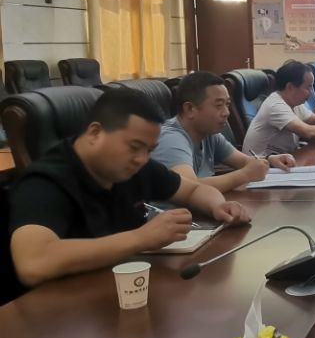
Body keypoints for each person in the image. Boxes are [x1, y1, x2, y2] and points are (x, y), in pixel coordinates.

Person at [5, 88, 251, 291]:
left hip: (118, 291)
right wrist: (141, 238)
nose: (142, 158)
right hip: (56, 314)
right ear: (95, 133)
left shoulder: (134, 166)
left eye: (149, 150)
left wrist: (219, 205)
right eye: (134, 147)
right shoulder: (44, 183)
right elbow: (33, 263)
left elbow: (193, 191)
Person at [153, 72, 296, 192]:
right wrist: (244, 175)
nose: (226, 112)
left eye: (227, 104)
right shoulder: (171, 138)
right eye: (219, 105)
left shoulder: (209, 134)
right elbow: (187, 187)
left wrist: (270, 160)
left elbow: (244, 161)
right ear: (190, 109)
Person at [242, 61, 315, 156]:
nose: (311, 92)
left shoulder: (295, 103)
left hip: (283, 161)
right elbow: (308, 132)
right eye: (308, 87)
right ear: (290, 87)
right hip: (262, 168)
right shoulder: (275, 105)